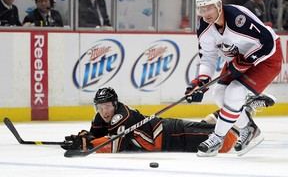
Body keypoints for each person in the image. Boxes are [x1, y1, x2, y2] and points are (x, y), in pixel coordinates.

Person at [185, 0, 282, 157]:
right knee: (219, 94)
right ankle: (249, 128)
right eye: (201, 8)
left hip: (267, 58)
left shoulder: (238, 18)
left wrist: (245, 62)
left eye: (209, 7)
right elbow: (208, 57)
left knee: (234, 91)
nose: (205, 13)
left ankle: (217, 137)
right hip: (238, 59)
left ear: (219, 5)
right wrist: (200, 82)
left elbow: (267, 42)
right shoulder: (203, 27)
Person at [62, 87, 275, 154]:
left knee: (225, 144)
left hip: (172, 134)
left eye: (107, 106)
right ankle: (234, 110)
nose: (104, 111)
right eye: (100, 107)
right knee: (209, 129)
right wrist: (84, 138)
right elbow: (99, 136)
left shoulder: (122, 115)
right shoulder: (100, 116)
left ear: (115, 104)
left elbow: (114, 144)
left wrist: (87, 144)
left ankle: (243, 114)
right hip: (168, 137)